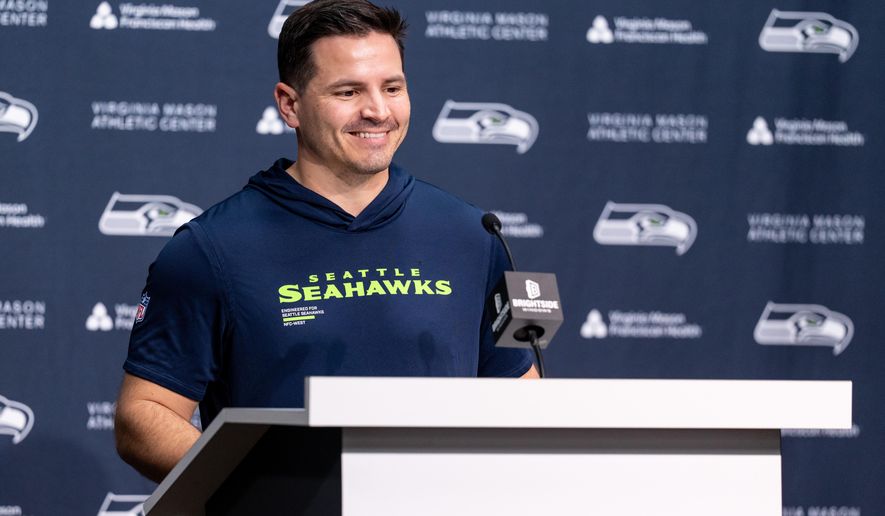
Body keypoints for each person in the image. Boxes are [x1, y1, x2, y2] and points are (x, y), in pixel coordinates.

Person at [114, 0, 538, 483]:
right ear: (289, 105)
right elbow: (142, 417)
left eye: (392, 88)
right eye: (348, 91)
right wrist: (260, 488)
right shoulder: (211, 248)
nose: (377, 110)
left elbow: (520, 396)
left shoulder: (472, 233)